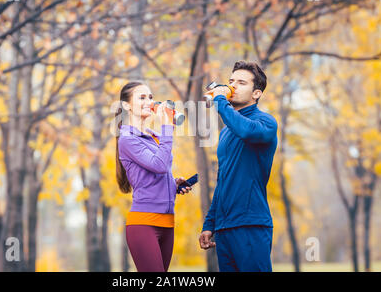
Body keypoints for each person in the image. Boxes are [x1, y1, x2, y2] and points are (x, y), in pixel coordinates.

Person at [198, 61, 278, 272]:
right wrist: (209, 224)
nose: (233, 86)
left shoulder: (266, 122)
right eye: (231, 81)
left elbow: (247, 131)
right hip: (224, 229)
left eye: (241, 83)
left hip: (251, 224)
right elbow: (223, 180)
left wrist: (221, 101)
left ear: (256, 94)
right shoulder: (225, 133)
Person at [115, 81, 192, 272]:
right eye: (141, 97)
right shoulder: (127, 139)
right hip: (144, 223)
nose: (149, 101)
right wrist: (167, 128)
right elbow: (159, 165)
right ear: (126, 105)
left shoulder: (153, 136)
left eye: (150, 97)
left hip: (167, 222)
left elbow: (156, 172)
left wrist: (173, 184)